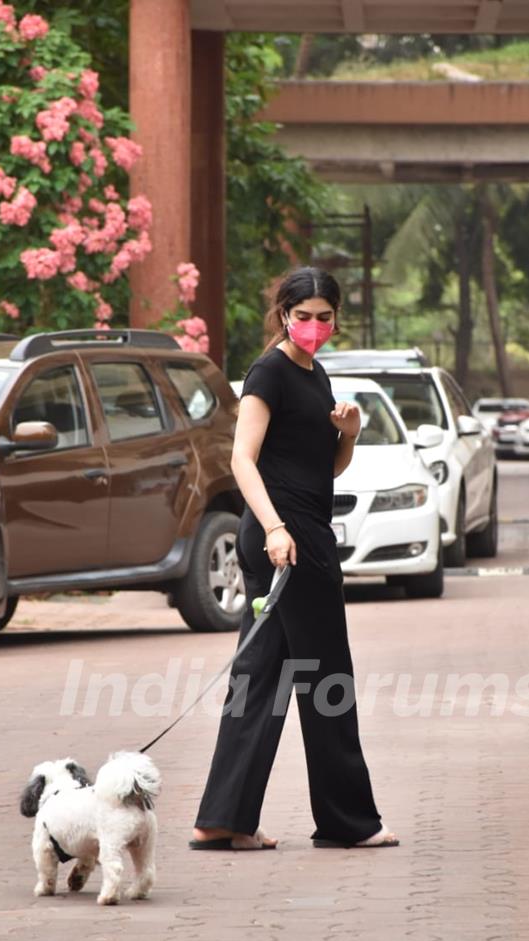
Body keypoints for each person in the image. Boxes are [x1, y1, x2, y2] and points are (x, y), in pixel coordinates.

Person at [190, 267, 398, 851]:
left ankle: (221, 821)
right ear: (284, 314)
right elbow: (241, 460)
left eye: (323, 317)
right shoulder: (270, 372)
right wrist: (277, 529)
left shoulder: (316, 374)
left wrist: (349, 435)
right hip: (285, 539)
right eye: (302, 316)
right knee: (328, 675)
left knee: (261, 681)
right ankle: (346, 821)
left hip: (301, 530)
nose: (312, 326)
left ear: (335, 318)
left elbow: (320, 469)